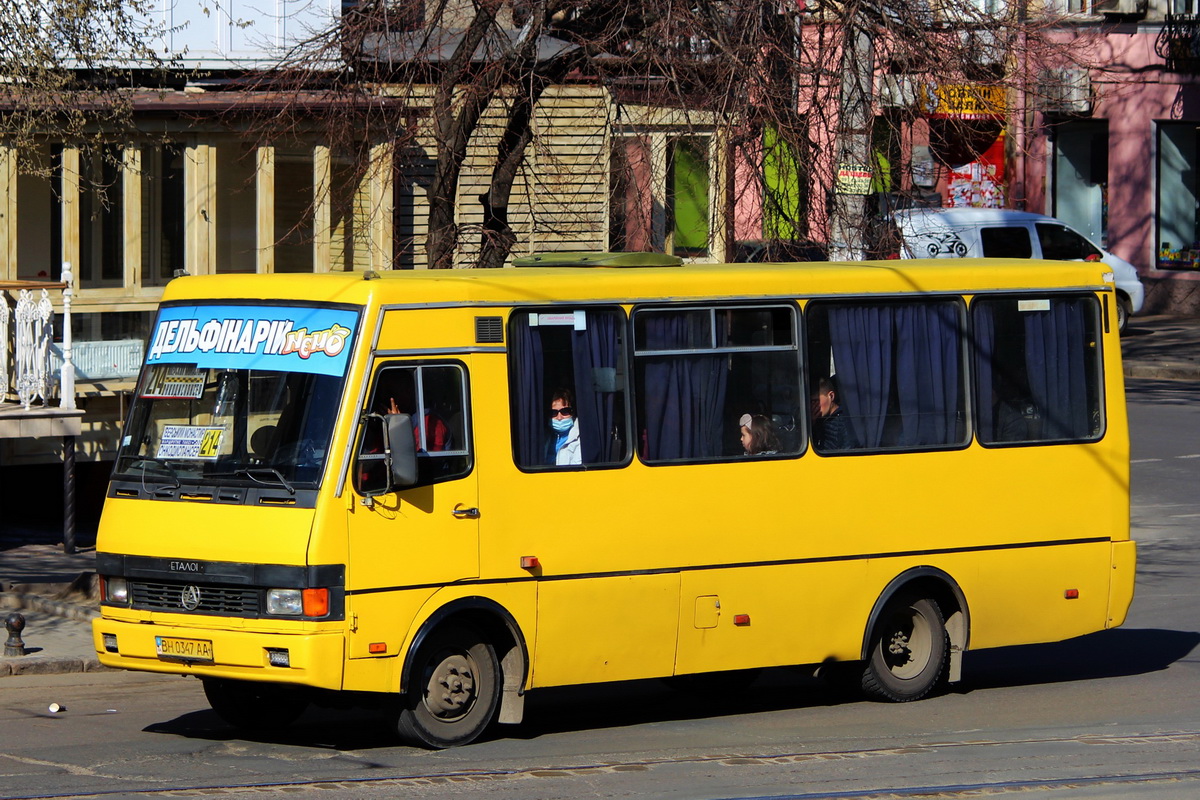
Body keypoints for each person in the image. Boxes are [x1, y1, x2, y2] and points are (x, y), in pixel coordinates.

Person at [375, 370, 450, 452]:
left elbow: (425, 461)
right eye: (382, 393)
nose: (385, 398)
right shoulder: (382, 422)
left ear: (408, 391)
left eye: (390, 392)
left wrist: (399, 429)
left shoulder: (429, 422)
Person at [812, 376, 853, 451]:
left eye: (816, 401)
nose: (814, 406)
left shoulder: (844, 423)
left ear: (831, 396)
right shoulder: (819, 421)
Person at [547, 388, 582, 466]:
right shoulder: (541, 438)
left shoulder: (581, 438)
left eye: (565, 411)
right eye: (553, 413)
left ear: (573, 412)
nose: (559, 417)